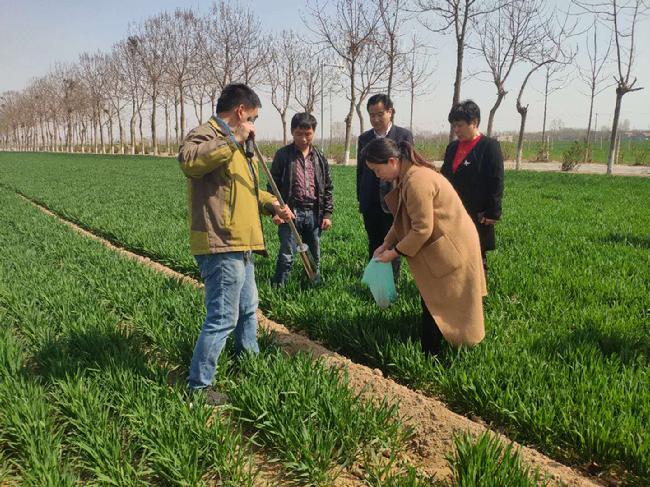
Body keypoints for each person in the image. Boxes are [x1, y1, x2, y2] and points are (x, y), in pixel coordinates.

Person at [178, 83, 294, 404]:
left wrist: (273, 204)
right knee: (222, 317)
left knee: (247, 309)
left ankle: (250, 361)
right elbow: (189, 161)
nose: (254, 124)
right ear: (241, 112)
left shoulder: (242, 148)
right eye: (253, 117)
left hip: (243, 243)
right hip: (221, 241)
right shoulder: (205, 135)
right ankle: (198, 387)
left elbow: (247, 189)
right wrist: (233, 139)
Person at [367, 138, 486, 355]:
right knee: (433, 298)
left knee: (442, 299)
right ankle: (434, 346)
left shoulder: (416, 181)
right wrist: (385, 243)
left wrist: (393, 253)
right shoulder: (409, 176)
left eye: (377, 170)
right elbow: (403, 219)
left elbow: (421, 229)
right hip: (444, 242)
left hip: (452, 245)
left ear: (392, 161)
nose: (378, 176)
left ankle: (435, 352)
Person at [269, 112, 334, 286]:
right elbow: (272, 186)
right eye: (299, 134)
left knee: (314, 254)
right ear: (292, 132)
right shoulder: (283, 155)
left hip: (314, 212)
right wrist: (276, 210)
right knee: (287, 254)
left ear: (313, 132)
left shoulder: (319, 158)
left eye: (308, 134)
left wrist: (327, 214)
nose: (304, 138)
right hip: (290, 211)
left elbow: (327, 187)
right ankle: (279, 288)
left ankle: (312, 287)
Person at [441, 100, 504, 276]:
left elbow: (496, 180)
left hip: (477, 212)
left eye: (460, 125)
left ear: (474, 122)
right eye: (454, 126)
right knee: (453, 250)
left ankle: (478, 292)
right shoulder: (452, 147)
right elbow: (445, 176)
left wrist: (493, 212)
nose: (456, 130)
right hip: (453, 210)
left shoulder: (489, 146)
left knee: (476, 251)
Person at [357, 94, 413, 279]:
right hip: (370, 201)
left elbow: (406, 169)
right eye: (372, 115)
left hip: (393, 200)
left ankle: (392, 280)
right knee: (374, 241)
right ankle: (376, 278)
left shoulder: (403, 136)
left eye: (379, 114)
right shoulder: (364, 138)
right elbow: (361, 171)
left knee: (392, 241)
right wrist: (361, 196)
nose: (375, 119)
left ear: (390, 112)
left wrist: (403, 198)